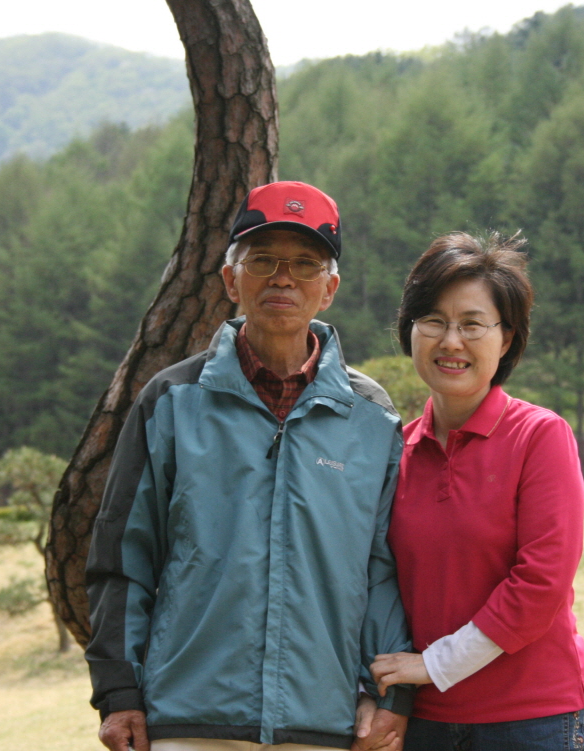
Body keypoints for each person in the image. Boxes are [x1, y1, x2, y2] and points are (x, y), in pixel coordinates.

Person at [85, 181, 413, 751]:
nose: (283, 279)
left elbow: (383, 571)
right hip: (187, 720)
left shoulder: (372, 417)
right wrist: (119, 692)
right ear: (231, 280)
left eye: (305, 264)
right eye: (262, 260)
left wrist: (389, 695)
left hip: (323, 724)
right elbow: (123, 559)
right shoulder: (171, 400)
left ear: (329, 289)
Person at [370, 232, 584, 751]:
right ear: (410, 330)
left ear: (507, 338)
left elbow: (541, 582)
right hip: (423, 720)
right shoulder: (395, 451)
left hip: (531, 719)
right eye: (433, 321)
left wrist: (436, 665)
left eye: (472, 324)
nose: (451, 341)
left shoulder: (540, 436)